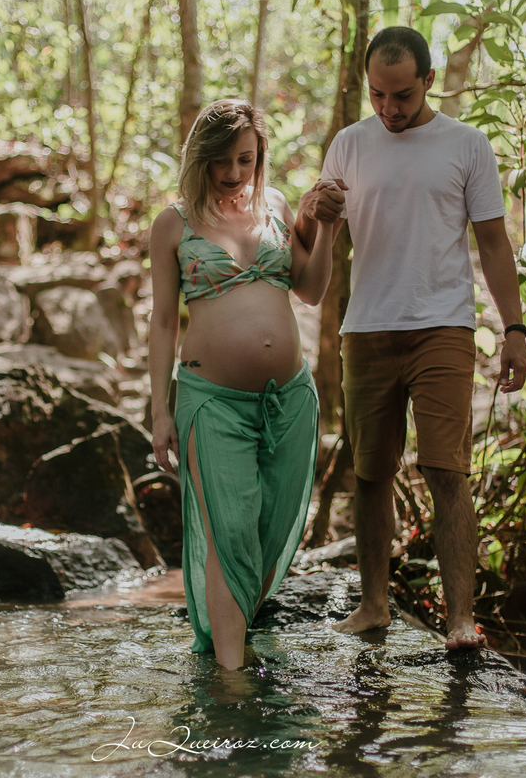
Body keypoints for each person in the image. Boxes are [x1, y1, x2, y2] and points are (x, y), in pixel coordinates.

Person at [295, 26, 526, 649]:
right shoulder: (348, 145)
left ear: (428, 81)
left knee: (446, 469)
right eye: (376, 95)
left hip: (443, 326)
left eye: (401, 95)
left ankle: (460, 619)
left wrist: (514, 327)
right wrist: (315, 218)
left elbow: (494, 245)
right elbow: (319, 261)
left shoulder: (466, 145)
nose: (388, 109)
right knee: (370, 474)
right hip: (367, 329)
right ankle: (374, 605)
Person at [148, 99, 335, 671]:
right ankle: (231, 686)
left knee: (268, 531)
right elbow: (160, 322)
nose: (234, 173)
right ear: (199, 160)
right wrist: (160, 411)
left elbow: (310, 290)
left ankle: (237, 648)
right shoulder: (173, 224)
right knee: (228, 533)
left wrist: (325, 227)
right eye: (222, 161)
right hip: (212, 404)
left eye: (246, 159)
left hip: (291, 402)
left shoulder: (275, 206)